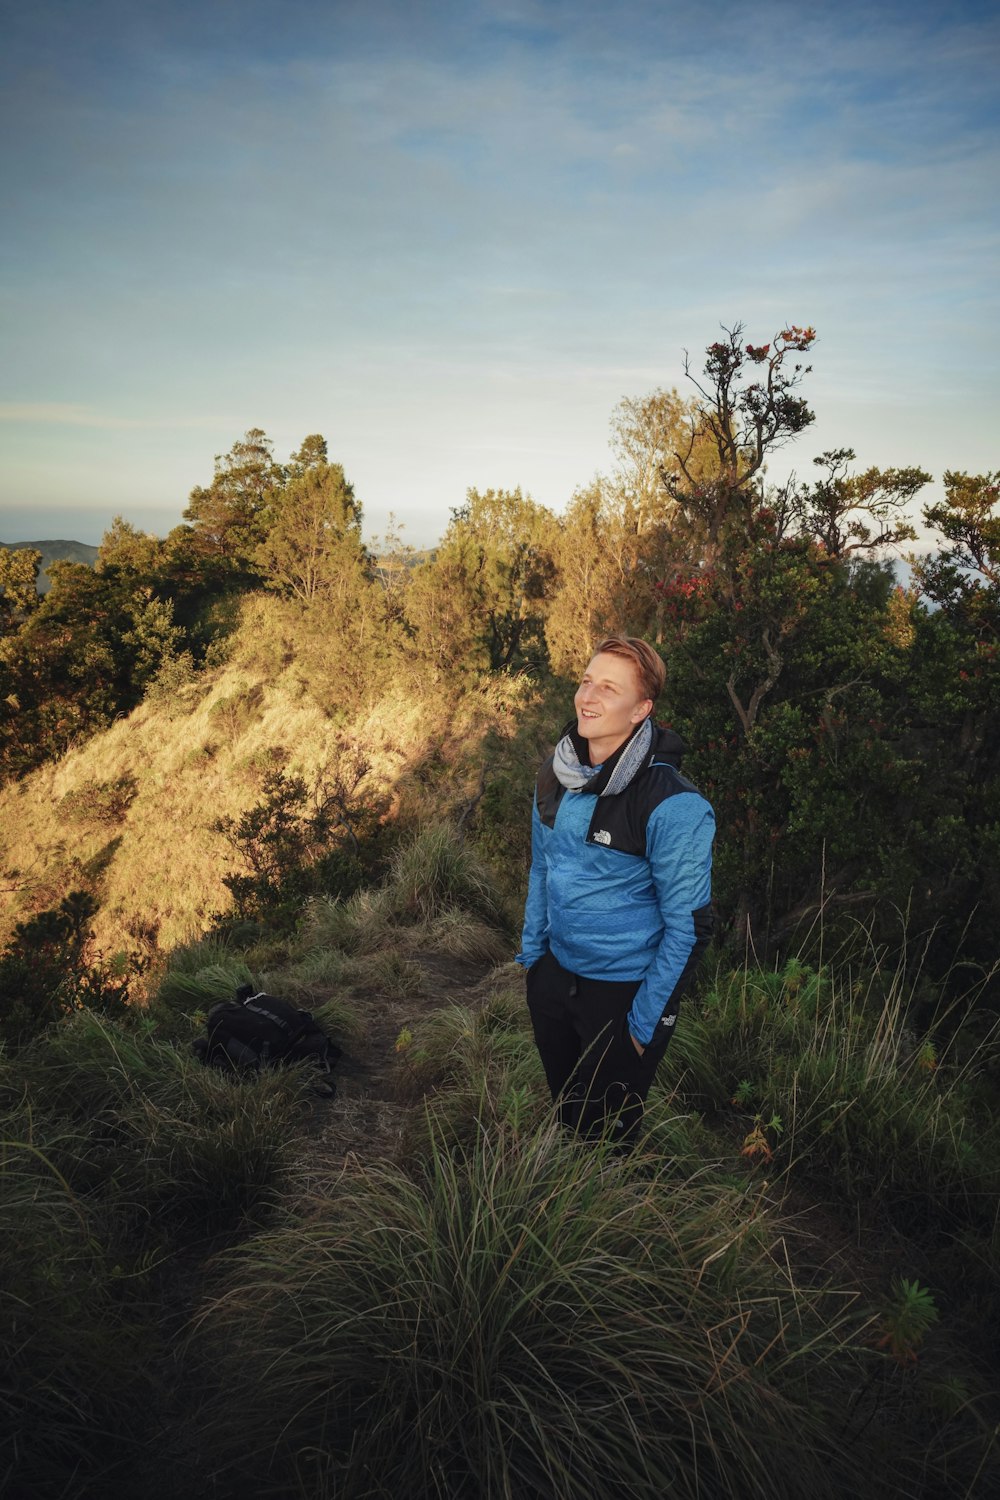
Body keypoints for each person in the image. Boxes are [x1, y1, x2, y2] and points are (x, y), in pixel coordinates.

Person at [517, 636, 715, 1147]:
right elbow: (542, 869)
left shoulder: (673, 805)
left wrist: (643, 1023)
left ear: (641, 709)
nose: (589, 697)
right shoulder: (555, 776)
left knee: (608, 1136)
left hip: (624, 994)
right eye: (586, 681)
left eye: (609, 688)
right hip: (555, 978)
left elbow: (688, 929)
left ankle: (614, 1222)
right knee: (568, 1114)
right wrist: (534, 958)